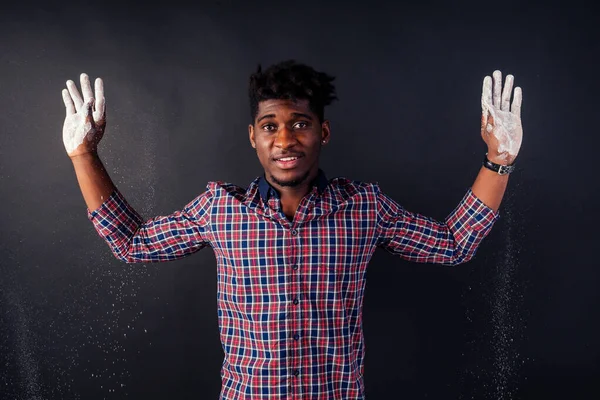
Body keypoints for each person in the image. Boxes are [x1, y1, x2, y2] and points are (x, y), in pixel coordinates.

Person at [62, 60, 523, 399]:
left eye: (300, 124)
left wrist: (498, 160)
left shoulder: (363, 207)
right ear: (253, 136)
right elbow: (132, 243)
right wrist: (83, 155)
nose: (284, 140)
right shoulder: (220, 209)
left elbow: (453, 243)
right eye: (270, 127)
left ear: (323, 132)